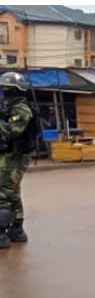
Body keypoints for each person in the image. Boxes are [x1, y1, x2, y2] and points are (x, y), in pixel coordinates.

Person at [0, 72, 34, 249]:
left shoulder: (22, 108)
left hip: (15, 155)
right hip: (8, 154)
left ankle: (2, 233)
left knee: (4, 193)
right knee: (12, 193)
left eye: (8, 89)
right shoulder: (7, 105)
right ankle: (17, 231)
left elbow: (11, 131)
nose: (5, 91)